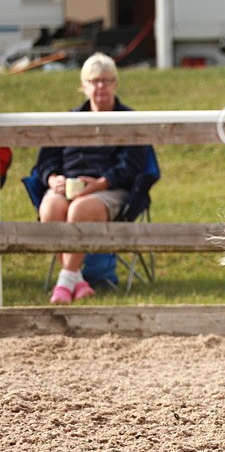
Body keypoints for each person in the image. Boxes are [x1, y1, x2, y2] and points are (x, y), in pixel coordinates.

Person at [33, 53, 149, 304]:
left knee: (79, 209)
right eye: (94, 81)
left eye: (107, 80)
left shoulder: (130, 119)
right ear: (83, 86)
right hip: (68, 184)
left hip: (109, 188)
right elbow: (45, 161)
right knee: (51, 207)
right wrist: (53, 179)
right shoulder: (67, 120)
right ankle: (79, 281)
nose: (101, 87)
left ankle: (64, 283)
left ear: (116, 84)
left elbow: (133, 166)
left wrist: (100, 183)